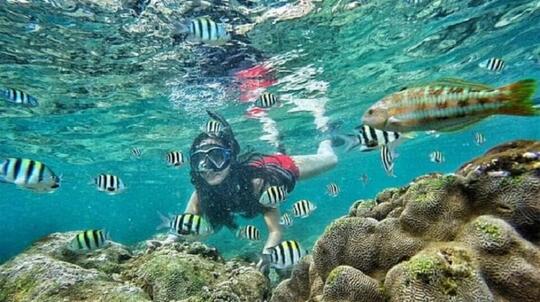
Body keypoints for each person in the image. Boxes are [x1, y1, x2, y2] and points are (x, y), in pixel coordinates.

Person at [184, 110, 337, 273]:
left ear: (230, 157)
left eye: (217, 156)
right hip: (262, 166)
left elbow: (276, 229)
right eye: (200, 160)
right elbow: (183, 227)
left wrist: (266, 257)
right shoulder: (201, 192)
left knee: (332, 160)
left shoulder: (257, 184)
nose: (209, 167)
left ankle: (324, 130)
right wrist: (170, 239)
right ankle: (278, 143)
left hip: (281, 166)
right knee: (278, 148)